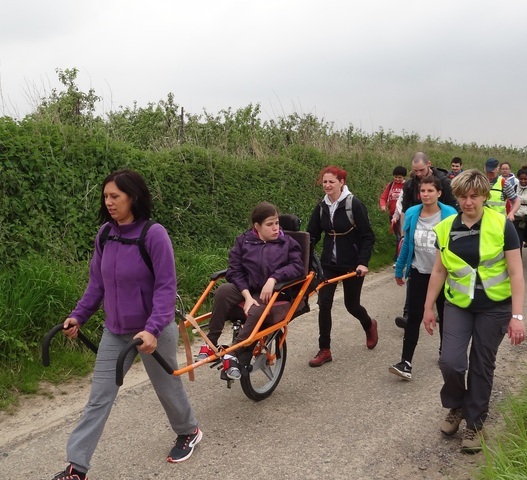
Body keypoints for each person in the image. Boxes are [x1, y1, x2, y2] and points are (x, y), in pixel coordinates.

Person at [52, 170, 202, 480]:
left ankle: (189, 431)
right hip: (115, 332)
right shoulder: (105, 234)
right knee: (99, 398)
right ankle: (76, 467)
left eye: (114, 196)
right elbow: (97, 284)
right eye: (105, 196)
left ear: (132, 197)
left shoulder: (154, 234)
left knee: (166, 387)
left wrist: (153, 328)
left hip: (152, 331)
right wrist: (78, 315)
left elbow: (165, 287)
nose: (108, 202)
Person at [422, 169, 526, 453]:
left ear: (483, 196)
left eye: (474, 196)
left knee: (481, 364)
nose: (468, 202)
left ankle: (475, 424)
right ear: (456, 197)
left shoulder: (502, 225)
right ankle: (456, 406)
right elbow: (440, 269)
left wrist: (517, 317)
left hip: (495, 307)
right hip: (458, 304)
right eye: (463, 197)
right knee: (451, 362)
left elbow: (516, 273)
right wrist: (428, 306)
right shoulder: (445, 228)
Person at [195, 202, 305, 377]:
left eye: (277, 223)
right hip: (248, 288)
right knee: (223, 290)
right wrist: (246, 296)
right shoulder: (244, 241)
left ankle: (233, 352)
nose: (275, 228)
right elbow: (234, 270)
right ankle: (211, 342)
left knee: (256, 309)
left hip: (274, 292)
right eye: (270, 224)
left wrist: (273, 278)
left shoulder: (287, 243)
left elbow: (297, 267)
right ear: (257, 226)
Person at [307, 165, 377, 367]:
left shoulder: (353, 204)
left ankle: (369, 324)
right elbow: (312, 235)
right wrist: (303, 258)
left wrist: (363, 262)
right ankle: (325, 350)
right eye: (325, 182)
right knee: (324, 303)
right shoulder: (321, 207)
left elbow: (367, 236)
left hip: (352, 263)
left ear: (341, 183)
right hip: (329, 263)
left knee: (351, 305)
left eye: (331, 182)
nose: (327, 185)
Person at [390, 176, 457, 379]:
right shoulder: (412, 213)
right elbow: (407, 244)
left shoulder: (450, 215)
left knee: (445, 317)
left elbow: (455, 248)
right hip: (419, 273)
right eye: (423, 191)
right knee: (413, 318)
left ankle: (445, 354)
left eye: (430, 191)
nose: (426, 194)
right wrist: (399, 268)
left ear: (439, 193)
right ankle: (406, 363)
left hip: (444, 275)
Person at [394, 152, 458, 329]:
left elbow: (453, 208)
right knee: (415, 267)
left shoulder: (443, 182)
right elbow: (405, 210)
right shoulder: (409, 184)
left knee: (437, 277)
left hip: (439, 233)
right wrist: (403, 234)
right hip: (417, 228)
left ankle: (442, 316)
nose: (419, 174)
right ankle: (409, 315)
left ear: (429, 164)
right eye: (415, 171)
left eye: (421, 170)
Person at [379, 165, 407, 265]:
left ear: (404, 177)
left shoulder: (407, 186)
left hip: (403, 215)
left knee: (401, 237)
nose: (397, 179)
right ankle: (400, 257)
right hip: (392, 215)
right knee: (398, 237)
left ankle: (398, 259)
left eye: (399, 177)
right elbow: (383, 197)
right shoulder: (391, 185)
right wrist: (383, 206)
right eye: (395, 177)